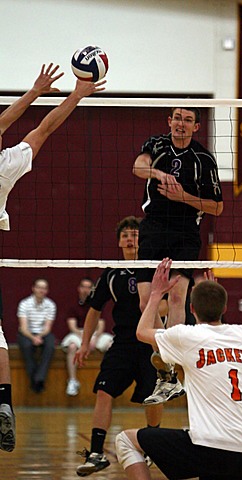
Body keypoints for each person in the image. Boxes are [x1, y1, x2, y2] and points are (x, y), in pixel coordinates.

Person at [0, 63, 105, 452]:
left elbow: (5, 120)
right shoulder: (6, 166)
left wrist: (33, 91)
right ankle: (4, 400)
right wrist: (75, 95)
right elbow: (42, 128)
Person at [115, 258, 242, 480]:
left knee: (125, 441)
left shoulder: (187, 337)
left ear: (191, 309)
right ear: (225, 307)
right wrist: (213, 291)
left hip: (211, 449)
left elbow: (142, 331)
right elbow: (218, 324)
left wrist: (155, 295)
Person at [133, 107, 223, 404]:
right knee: (147, 301)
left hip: (185, 230)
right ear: (169, 122)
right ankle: (167, 364)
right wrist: (158, 173)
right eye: (176, 118)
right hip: (154, 227)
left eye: (187, 120)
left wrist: (182, 196)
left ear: (196, 126)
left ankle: (169, 370)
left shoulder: (204, 159)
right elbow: (138, 166)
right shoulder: (156, 145)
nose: (180, 124)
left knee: (176, 297)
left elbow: (217, 207)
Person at [75, 216, 163, 477]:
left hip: (150, 344)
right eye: (125, 235)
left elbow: (171, 303)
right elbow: (94, 310)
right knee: (103, 390)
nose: (130, 239)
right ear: (119, 241)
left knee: (153, 396)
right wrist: (84, 343)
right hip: (123, 343)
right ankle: (96, 453)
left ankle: (152, 448)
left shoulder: (154, 269)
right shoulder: (111, 273)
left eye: (135, 234)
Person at [61, 278, 113, 396]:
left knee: (111, 345)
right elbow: (72, 327)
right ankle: (73, 381)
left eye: (89, 287)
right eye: (83, 287)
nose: (86, 290)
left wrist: (94, 338)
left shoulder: (97, 304)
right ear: (79, 289)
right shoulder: (73, 306)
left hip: (95, 334)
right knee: (72, 346)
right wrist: (86, 339)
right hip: (79, 333)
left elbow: (101, 325)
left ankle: (108, 379)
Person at [17, 278, 57, 393]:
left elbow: (48, 327)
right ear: (33, 288)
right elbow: (23, 328)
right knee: (27, 346)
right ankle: (34, 378)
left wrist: (39, 336)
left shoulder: (50, 305)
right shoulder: (24, 303)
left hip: (43, 333)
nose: (41, 290)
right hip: (27, 333)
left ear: (47, 290)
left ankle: (39, 377)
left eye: (44, 288)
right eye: (39, 287)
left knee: (50, 345)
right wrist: (33, 337)